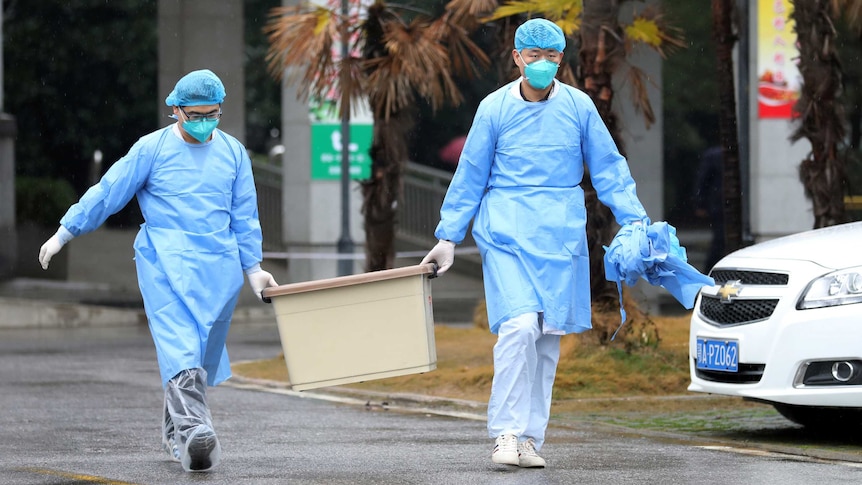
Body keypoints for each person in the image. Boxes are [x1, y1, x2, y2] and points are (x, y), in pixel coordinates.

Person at [421, 18, 651, 468]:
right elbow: (470, 174)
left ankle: (529, 438)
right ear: (517, 58)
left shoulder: (580, 107)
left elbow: (608, 168)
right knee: (520, 326)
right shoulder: (494, 108)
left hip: (561, 233)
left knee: (547, 339)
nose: (541, 64)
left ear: (561, 61)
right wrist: (448, 236)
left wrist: (635, 220)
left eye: (551, 56)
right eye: (533, 55)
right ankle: (504, 432)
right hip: (505, 229)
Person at [37, 69, 278, 473]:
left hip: (218, 267)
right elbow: (109, 190)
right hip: (164, 261)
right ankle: (197, 431)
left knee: (196, 355)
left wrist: (253, 268)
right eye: (195, 115)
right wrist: (66, 230)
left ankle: (176, 434)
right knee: (179, 348)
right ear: (176, 111)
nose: (204, 122)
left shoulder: (235, 153)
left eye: (212, 114)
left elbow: (244, 215)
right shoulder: (151, 149)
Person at [693, 146, 725, 272]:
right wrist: (700, 203)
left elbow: (702, 180)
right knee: (719, 241)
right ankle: (709, 271)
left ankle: (710, 270)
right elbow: (703, 180)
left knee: (719, 241)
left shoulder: (714, 156)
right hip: (719, 205)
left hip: (719, 204)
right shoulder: (715, 156)